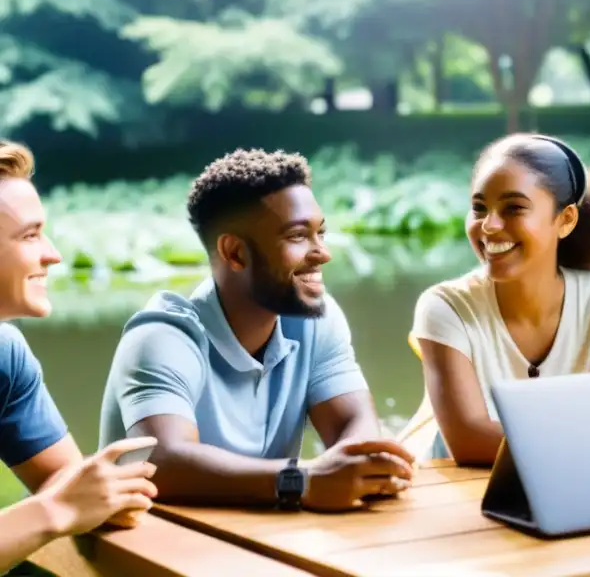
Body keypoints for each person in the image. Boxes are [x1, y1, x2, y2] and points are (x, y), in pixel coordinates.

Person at [98, 149, 415, 511]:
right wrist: (302, 481)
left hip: (259, 547)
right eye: (298, 236)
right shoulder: (161, 337)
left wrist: (361, 470)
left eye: (320, 232)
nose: (323, 253)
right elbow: (161, 462)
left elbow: (353, 423)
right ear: (235, 253)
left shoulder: (317, 319)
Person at [412, 133, 590, 466]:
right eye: (479, 208)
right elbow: (468, 440)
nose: (490, 226)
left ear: (565, 220)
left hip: (573, 487)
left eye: (513, 208)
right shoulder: (445, 307)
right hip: (457, 494)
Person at [0, 141, 157, 573]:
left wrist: (105, 492)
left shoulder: (5, 357)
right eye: (30, 234)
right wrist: (53, 512)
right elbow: (59, 502)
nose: (53, 254)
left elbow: (63, 482)